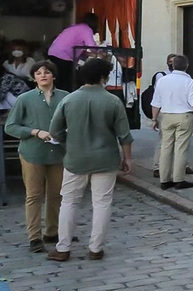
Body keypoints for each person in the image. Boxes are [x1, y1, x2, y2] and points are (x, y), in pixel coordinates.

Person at [43, 57, 133, 261]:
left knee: (69, 202)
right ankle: (95, 248)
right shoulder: (113, 101)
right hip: (106, 159)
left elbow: (55, 131)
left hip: (76, 158)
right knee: (102, 203)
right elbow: (124, 135)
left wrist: (69, 141)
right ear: (104, 77)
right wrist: (127, 158)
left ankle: (63, 248)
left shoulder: (69, 100)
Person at [2, 60, 66, 252]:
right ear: (34, 78)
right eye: (38, 73)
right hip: (32, 153)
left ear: (54, 75)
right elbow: (10, 127)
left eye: (46, 72)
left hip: (58, 153)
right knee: (34, 195)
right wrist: (35, 132)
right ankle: (34, 237)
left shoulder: (65, 97)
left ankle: (52, 231)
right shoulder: (25, 99)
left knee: (56, 194)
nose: (43, 75)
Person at [150, 55, 193, 190]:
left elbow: (156, 103)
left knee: (165, 148)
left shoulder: (162, 80)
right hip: (183, 116)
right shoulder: (189, 82)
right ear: (187, 66)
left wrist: (154, 119)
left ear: (173, 65)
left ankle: (164, 180)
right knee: (180, 148)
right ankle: (178, 179)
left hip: (166, 115)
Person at [46, 12, 99, 91]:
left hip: (53, 52)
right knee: (67, 82)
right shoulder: (87, 29)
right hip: (63, 56)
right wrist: (100, 51)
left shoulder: (75, 27)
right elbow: (91, 46)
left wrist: (89, 53)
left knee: (59, 80)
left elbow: (76, 47)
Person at [0, 42, 38, 112]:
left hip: (27, 86)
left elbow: (32, 75)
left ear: (24, 51)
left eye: (19, 49)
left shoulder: (30, 61)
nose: (16, 51)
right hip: (10, 88)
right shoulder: (6, 63)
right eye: (14, 49)